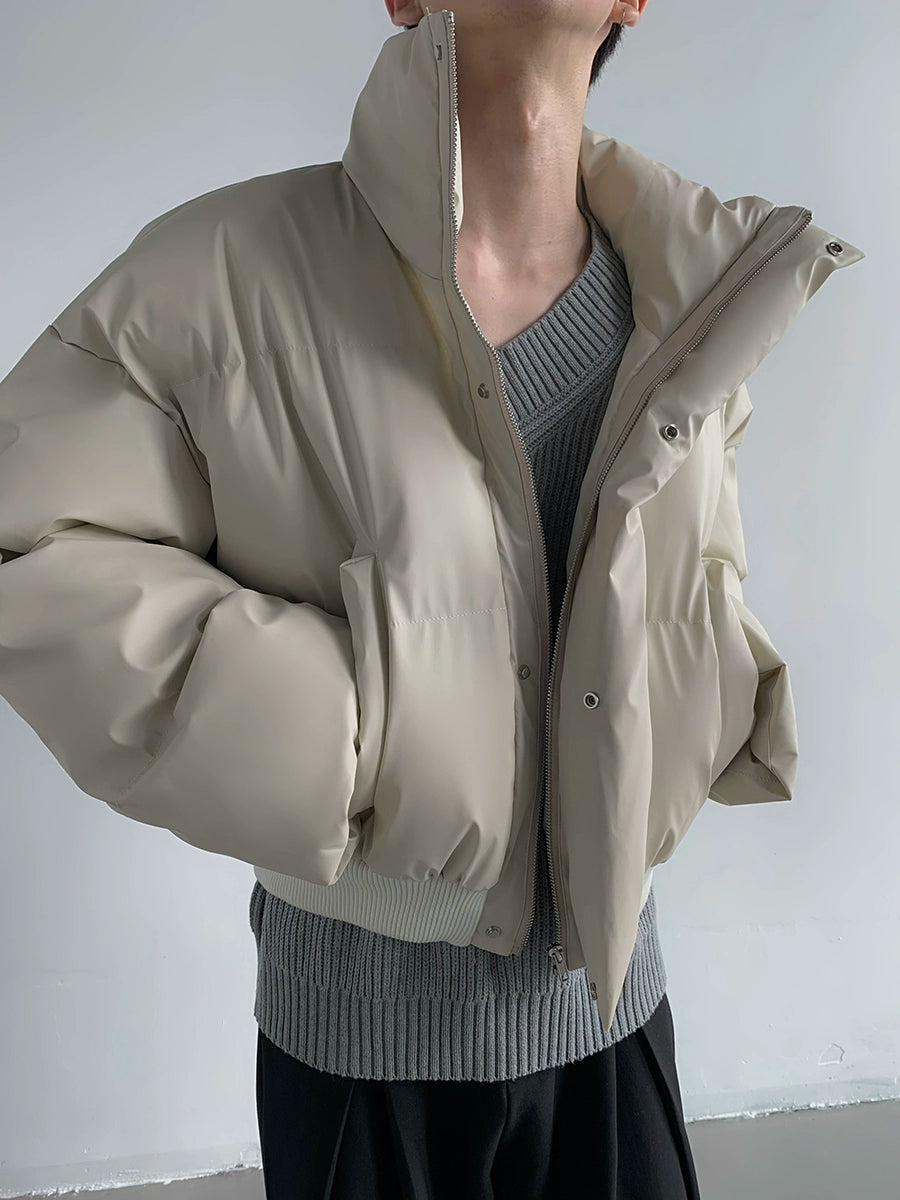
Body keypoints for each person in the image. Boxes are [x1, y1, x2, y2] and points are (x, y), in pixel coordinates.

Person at [0, 2, 863, 1197]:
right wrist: (349, 731)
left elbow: (685, 586)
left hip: (613, 1019)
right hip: (361, 1046)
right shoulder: (227, 275)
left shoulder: (698, 301)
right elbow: (31, 538)